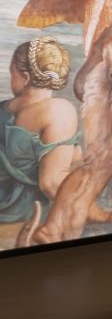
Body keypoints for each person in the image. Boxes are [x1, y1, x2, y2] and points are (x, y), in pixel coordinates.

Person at [0, 38, 79, 224]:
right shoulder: (58, 111)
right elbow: (51, 184)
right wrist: (95, 215)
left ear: (26, 77)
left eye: (12, 73)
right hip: (27, 209)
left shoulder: (3, 108)